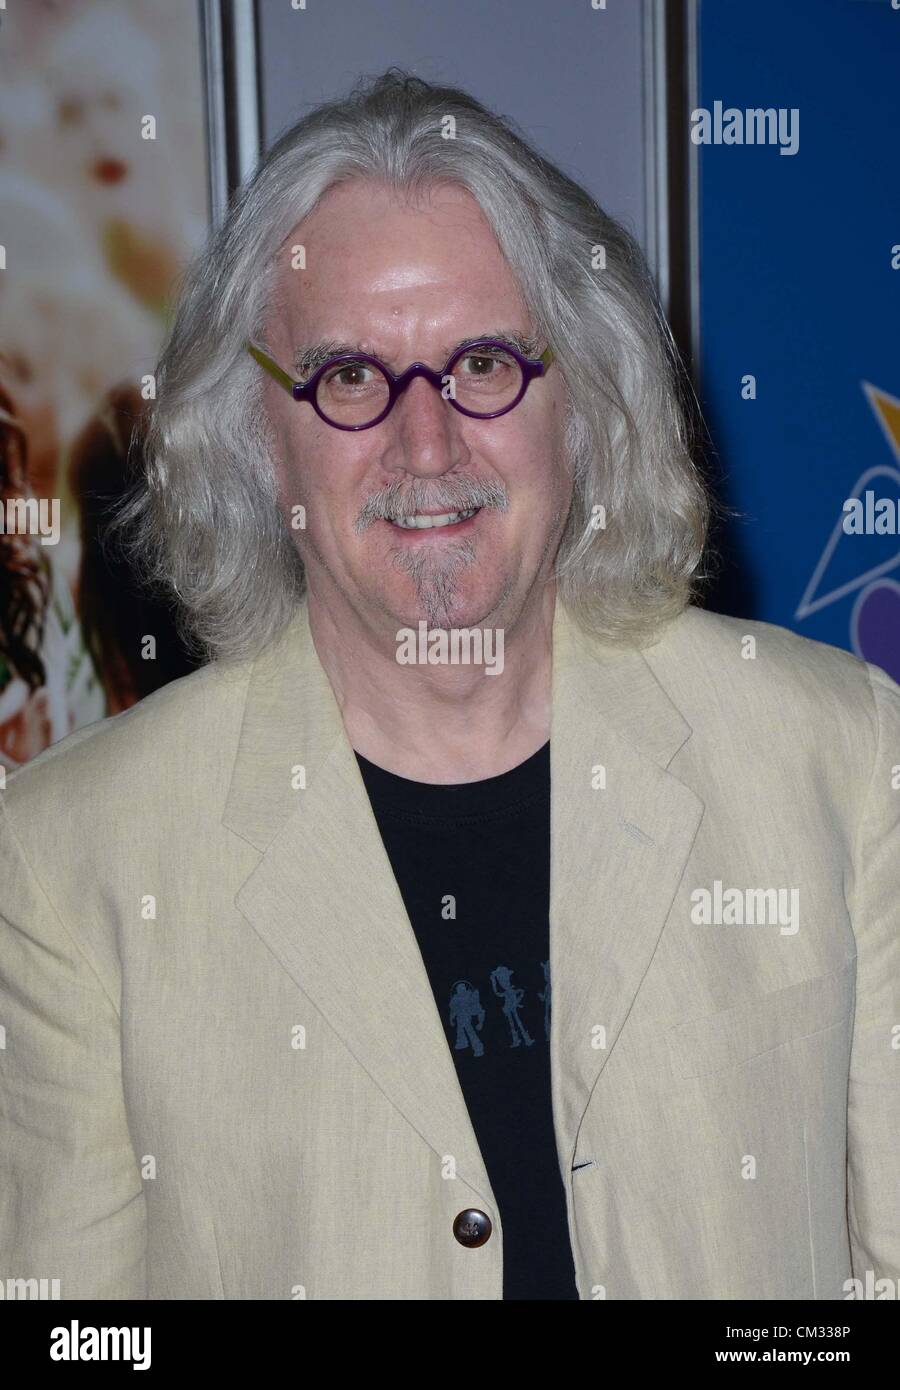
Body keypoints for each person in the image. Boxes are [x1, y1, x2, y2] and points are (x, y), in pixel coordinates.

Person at [1, 69, 897, 1302]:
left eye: (482, 362)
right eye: (350, 379)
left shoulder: (841, 756)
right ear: (259, 441)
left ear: (580, 404)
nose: (427, 447)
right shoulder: (70, 863)